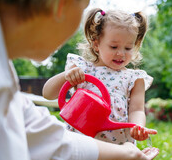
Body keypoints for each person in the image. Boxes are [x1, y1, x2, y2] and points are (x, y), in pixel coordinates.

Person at [0, 0, 159, 160]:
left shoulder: (0, 71)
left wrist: (128, 152)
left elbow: (44, 138)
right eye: (82, 7)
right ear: (63, 1)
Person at [43, 8, 157, 144]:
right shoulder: (82, 69)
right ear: (96, 44)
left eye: (128, 48)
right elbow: (48, 94)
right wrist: (67, 76)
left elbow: (137, 109)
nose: (121, 53)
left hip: (118, 146)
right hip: (82, 143)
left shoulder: (134, 79)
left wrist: (138, 126)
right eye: (114, 47)